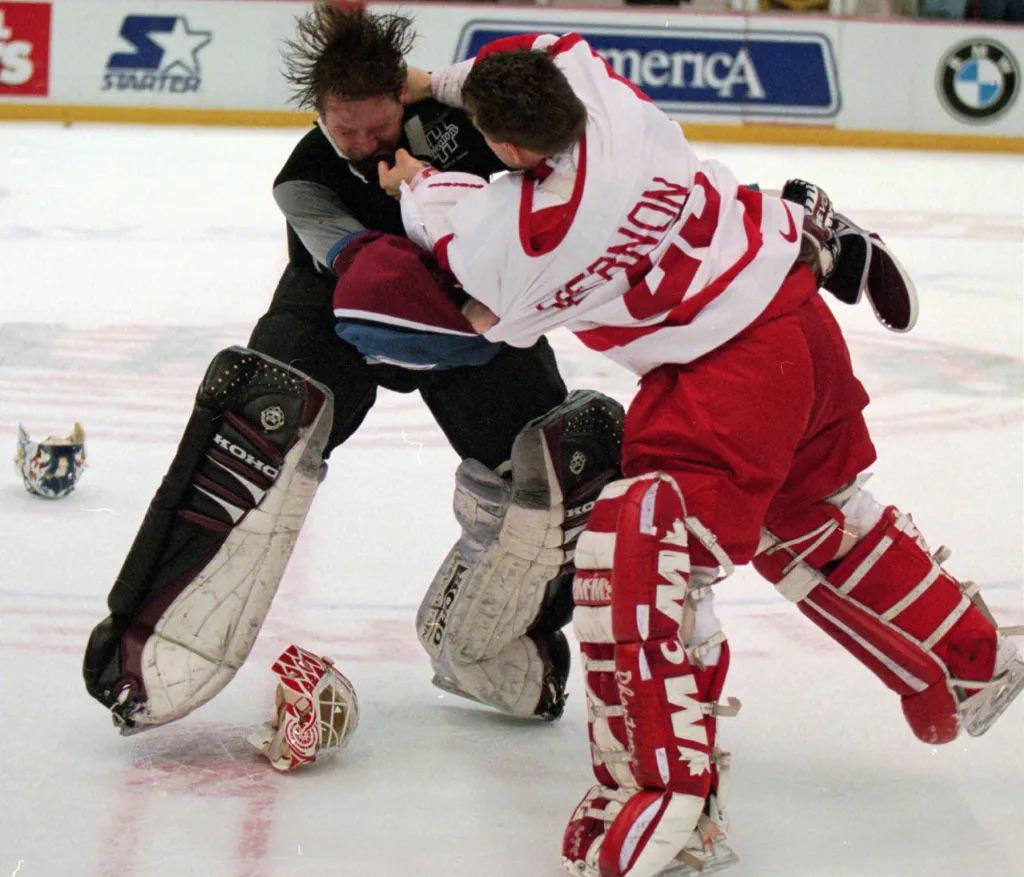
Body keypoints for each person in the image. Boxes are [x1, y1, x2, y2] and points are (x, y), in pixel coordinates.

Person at [378, 34, 1023, 877]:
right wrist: (430, 80)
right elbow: (530, 58)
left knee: (645, 545)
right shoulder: (601, 94)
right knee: (814, 519)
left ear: (506, 150)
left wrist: (410, 188)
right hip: (795, 315)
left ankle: (672, 801)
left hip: (724, 373)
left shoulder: (520, 235)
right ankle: (965, 659)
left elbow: (478, 296)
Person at [81, 7, 626, 747]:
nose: (367, 148)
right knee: (260, 408)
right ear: (320, 116)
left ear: (403, 100)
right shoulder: (303, 179)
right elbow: (372, 277)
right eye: (348, 134)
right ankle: (148, 635)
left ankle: (507, 644)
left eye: (380, 129)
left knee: (560, 455)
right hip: (345, 311)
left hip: (468, 311)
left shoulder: (466, 123)